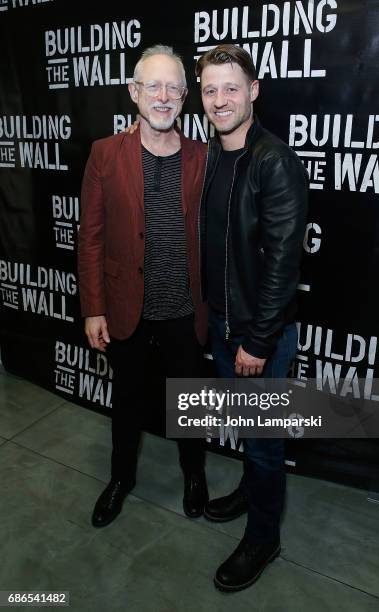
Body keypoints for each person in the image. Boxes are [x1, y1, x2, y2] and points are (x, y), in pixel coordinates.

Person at [78, 45, 209, 529]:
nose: (163, 96)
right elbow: (89, 235)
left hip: (184, 309)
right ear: (133, 92)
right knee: (127, 401)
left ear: (184, 97)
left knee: (190, 402)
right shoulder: (104, 154)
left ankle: (194, 476)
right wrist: (94, 308)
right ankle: (120, 479)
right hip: (125, 307)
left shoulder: (203, 157)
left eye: (174, 87)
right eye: (152, 85)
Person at [196, 44, 308, 591]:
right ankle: (250, 492)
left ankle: (265, 536)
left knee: (264, 441)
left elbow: (284, 261)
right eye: (211, 89)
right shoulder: (211, 156)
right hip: (222, 325)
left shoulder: (273, 160)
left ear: (254, 91)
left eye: (231, 88)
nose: (221, 100)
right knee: (249, 429)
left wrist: (258, 340)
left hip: (257, 333)